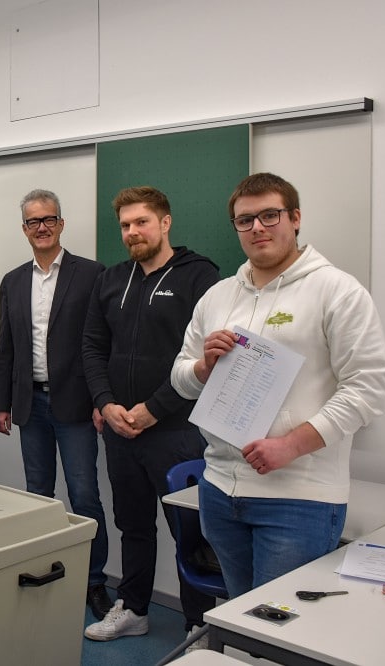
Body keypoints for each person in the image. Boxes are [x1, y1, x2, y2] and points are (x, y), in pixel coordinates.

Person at [171, 172, 385, 598]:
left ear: (295, 218)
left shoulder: (337, 291)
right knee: (241, 618)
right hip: (218, 488)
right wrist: (202, 369)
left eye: (269, 215)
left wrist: (291, 445)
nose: (257, 227)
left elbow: (368, 388)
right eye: (245, 220)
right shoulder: (217, 297)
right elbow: (180, 378)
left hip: (298, 498)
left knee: (282, 630)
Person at [82, 186, 219, 643]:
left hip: (177, 431)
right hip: (120, 429)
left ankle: (197, 623)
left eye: (141, 222)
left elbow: (205, 360)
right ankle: (135, 608)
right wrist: (106, 403)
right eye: (125, 225)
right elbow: (93, 347)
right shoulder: (112, 279)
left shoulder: (200, 277)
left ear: (165, 222)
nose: (132, 232)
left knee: (189, 530)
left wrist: (153, 411)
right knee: (132, 524)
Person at [0, 188, 112, 621]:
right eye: (32, 222)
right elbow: (7, 345)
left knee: (85, 497)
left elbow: (102, 344)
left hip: (78, 406)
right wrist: (1, 402)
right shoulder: (12, 280)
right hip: (30, 406)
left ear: (61, 224)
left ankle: (94, 581)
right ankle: (42, 571)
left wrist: (103, 398)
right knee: (38, 496)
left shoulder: (92, 274)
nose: (41, 228)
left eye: (48, 220)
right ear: (23, 229)